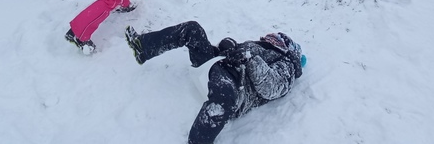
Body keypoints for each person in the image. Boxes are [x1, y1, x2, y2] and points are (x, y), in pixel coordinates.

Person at [124, 21, 305, 144]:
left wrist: (249, 58)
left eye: (277, 37)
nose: (270, 36)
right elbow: (236, 54)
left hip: (236, 86)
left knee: (225, 95)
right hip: (217, 65)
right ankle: (143, 47)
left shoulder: (288, 64)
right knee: (192, 29)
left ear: (285, 45)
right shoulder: (259, 45)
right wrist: (227, 45)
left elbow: (270, 87)